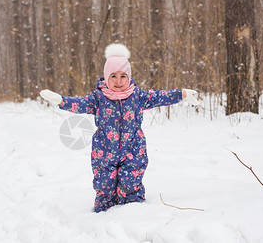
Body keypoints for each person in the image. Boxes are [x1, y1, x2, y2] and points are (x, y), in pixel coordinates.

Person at [40, 43, 199, 212]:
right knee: (104, 186)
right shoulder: (99, 98)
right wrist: (62, 101)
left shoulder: (138, 96)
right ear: (106, 77)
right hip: (104, 152)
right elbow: (80, 104)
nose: (118, 81)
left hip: (134, 150)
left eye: (123, 76)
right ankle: (103, 221)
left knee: (131, 185)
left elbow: (159, 97)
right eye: (113, 76)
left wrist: (181, 94)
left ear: (129, 76)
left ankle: (132, 216)